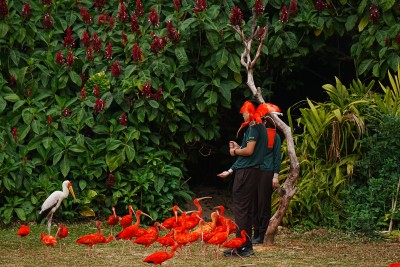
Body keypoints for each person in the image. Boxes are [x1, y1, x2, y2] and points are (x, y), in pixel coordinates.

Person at [217, 100, 268, 257]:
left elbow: (249, 152)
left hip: (247, 173)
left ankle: (243, 246)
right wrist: (239, 149)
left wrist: (234, 152)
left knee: (241, 209)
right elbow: (248, 152)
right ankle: (245, 245)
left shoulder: (253, 127)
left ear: (250, 112)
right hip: (252, 171)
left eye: (244, 113)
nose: (243, 115)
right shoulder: (259, 128)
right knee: (245, 208)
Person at [251, 103, 282, 244]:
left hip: (267, 172)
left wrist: (275, 175)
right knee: (254, 203)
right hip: (254, 171)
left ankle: (262, 232)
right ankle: (256, 231)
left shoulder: (274, 136)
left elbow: (277, 157)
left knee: (263, 203)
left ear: (265, 121)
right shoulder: (255, 134)